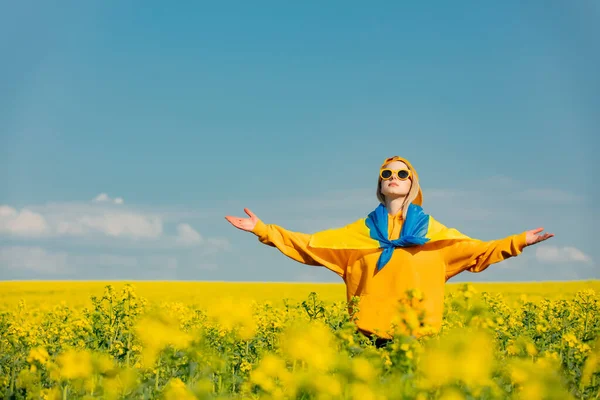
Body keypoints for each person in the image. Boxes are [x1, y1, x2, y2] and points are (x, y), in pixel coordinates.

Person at [225, 156, 554, 345]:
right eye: (387, 173)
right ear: (380, 185)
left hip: (421, 340)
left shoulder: (435, 235)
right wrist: (263, 230)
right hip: (369, 337)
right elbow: (311, 246)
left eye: (402, 173)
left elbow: (479, 252)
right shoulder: (358, 235)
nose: (394, 177)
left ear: (413, 184)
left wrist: (519, 241)